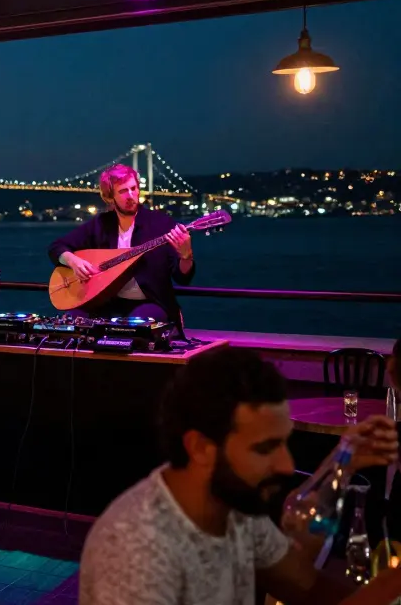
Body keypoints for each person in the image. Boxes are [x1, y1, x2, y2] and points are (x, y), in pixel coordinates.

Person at [79, 347, 401, 605]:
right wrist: (386, 589)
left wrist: (343, 460)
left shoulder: (235, 507)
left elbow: (304, 585)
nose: (288, 466)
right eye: (265, 448)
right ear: (202, 448)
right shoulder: (134, 551)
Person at [47, 163, 195, 325]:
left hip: (150, 303)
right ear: (110, 197)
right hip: (105, 301)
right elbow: (57, 247)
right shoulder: (101, 224)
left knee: (133, 324)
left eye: (133, 188)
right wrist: (73, 261)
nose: (131, 196)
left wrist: (186, 256)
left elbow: (182, 278)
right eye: (123, 191)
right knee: (71, 321)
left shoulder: (161, 225)